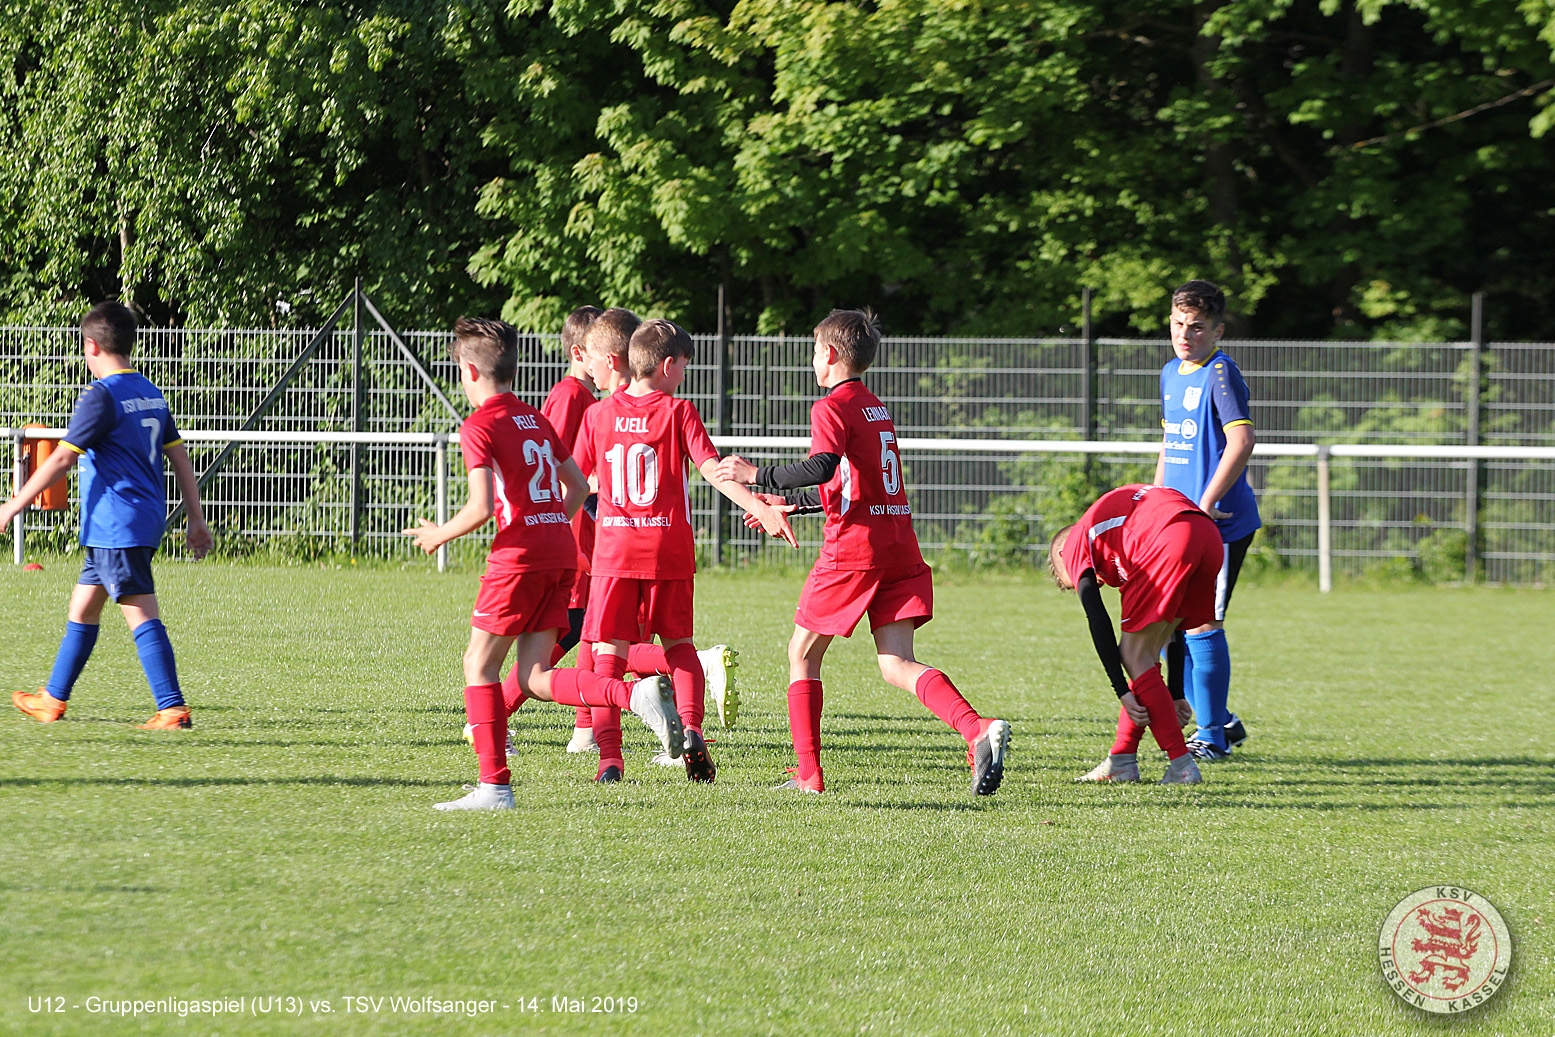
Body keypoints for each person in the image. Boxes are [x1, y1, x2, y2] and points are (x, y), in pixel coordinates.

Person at [716, 309, 1011, 796]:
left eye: (815, 351)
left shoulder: (831, 406)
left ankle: (809, 775)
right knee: (896, 664)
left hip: (854, 552)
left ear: (829, 354)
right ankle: (976, 728)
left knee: (801, 654)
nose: (813, 360)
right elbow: (854, 484)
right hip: (898, 546)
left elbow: (822, 465)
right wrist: (792, 504)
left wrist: (756, 476)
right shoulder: (876, 408)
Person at [404, 317, 683, 808]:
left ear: (469, 371)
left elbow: (481, 507)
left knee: (479, 664)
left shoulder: (480, 425)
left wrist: (438, 534)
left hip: (520, 557)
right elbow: (576, 485)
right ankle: (631, 696)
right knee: (533, 676)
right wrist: (552, 525)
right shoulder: (534, 418)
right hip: (559, 552)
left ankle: (494, 786)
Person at [573, 318, 795, 784]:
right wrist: (759, 507)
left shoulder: (598, 415)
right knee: (678, 647)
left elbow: (577, 482)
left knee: (607, 656)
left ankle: (610, 759)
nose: (684, 377)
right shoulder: (679, 412)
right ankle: (692, 730)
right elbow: (714, 471)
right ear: (668, 365)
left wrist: (550, 527)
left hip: (613, 555)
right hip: (667, 552)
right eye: (685, 368)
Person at [4, 302, 213, 729]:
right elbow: (180, 458)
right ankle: (52, 699)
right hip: (131, 521)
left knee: (140, 611)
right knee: (83, 608)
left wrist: (12, 505)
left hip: (117, 524)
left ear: (91, 346)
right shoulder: (149, 392)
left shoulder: (101, 396)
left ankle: (172, 708)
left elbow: (61, 459)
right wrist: (195, 518)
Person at [1048, 483, 1224, 785]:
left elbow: (1097, 618)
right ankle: (1122, 759)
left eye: (1071, 581)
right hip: (1206, 535)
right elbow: (1173, 631)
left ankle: (1182, 765)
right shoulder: (1119, 533)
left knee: (1133, 653)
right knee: (1143, 657)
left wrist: (1120, 689)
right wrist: (1175, 691)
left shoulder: (1077, 540)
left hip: (1168, 536)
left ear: (1063, 555)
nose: (1097, 582)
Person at [1154, 280, 1258, 760]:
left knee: (1202, 625)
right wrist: (1155, 502)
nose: (1185, 334)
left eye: (1196, 326)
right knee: (1166, 627)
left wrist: (1206, 501)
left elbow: (1242, 440)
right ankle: (1224, 722)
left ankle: (1212, 736)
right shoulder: (1170, 372)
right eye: (1178, 324)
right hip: (1178, 522)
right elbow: (1170, 443)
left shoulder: (1220, 372)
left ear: (1217, 331)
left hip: (1217, 525)